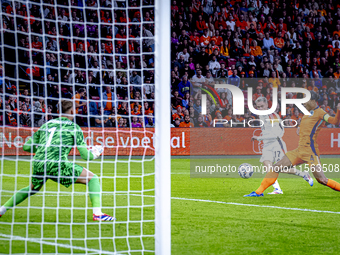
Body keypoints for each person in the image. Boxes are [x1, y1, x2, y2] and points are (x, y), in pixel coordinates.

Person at [0, 100, 115, 221]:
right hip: (57, 163)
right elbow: (85, 156)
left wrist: (42, 147)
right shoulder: (74, 127)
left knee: (31, 189)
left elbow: (26, 147)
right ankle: (97, 214)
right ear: (72, 111)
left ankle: (1, 209)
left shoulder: (47, 125)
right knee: (93, 179)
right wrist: (96, 152)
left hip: (39, 162)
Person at [245, 92, 340, 197]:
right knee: (275, 167)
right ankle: (258, 192)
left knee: (322, 179)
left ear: (313, 101)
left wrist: (338, 110)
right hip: (299, 151)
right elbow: (307, 126)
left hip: (310, 152)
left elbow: (334, 121)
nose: (303, 102)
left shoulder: (321, 113)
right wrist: (300, 127)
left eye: (305, 100)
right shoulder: (307, 113)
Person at [250, 97, 313, 195]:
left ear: (267, 105)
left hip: (276, 143)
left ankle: (304, 174)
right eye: (258, 107)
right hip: (267, 144)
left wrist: (259, 138)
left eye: (262, 106)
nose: (260, 109)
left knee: (282, 168)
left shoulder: (271, 116)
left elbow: (276, 134)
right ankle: (277, 189)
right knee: (268, 166)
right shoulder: (262, 115)